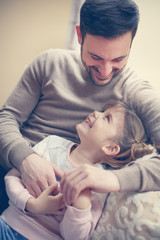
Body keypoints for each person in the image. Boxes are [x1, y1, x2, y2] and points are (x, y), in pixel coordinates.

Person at [0, 0, 160, 212]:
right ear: (80, 35)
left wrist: (111, 179)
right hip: (11, 172)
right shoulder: (49, 63)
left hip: (55, 204)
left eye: (118, 59)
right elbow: (6, 119)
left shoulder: (136, 93)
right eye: (95, 57)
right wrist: (25, 159)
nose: (105, 70)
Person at [0, 102, 156, 240]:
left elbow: (76, 237)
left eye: (107, 118)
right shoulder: (52, 143)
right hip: (7, 225)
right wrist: (32, 204)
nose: (96, 113)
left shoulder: (99, 183)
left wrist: (80, 207)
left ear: (110, 148)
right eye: (102, 111)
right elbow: (12, 177)